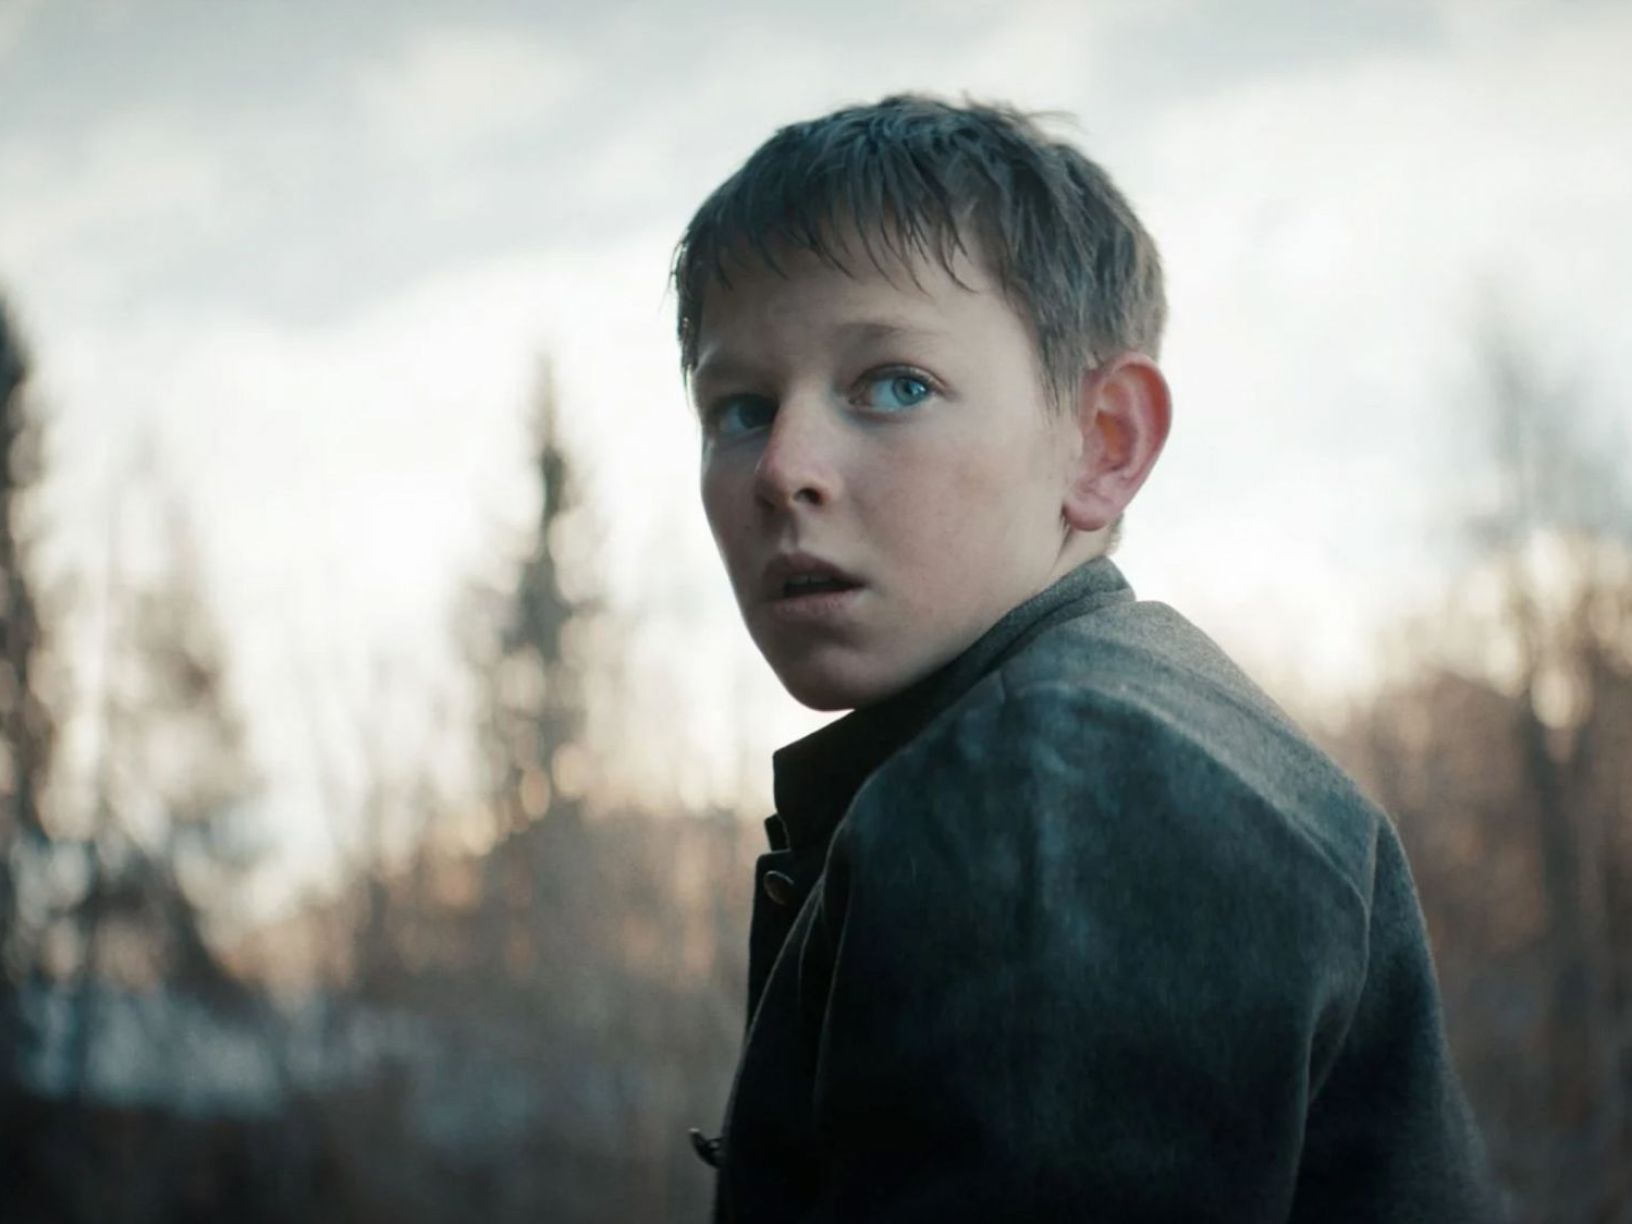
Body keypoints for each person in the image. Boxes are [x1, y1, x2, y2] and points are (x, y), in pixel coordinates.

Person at [672, 93, 1501, 1222]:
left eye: (896, 385)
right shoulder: (1103, 738)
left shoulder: (1055, 778)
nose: (783, 469)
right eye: (740, 409)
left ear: (1103, 443)